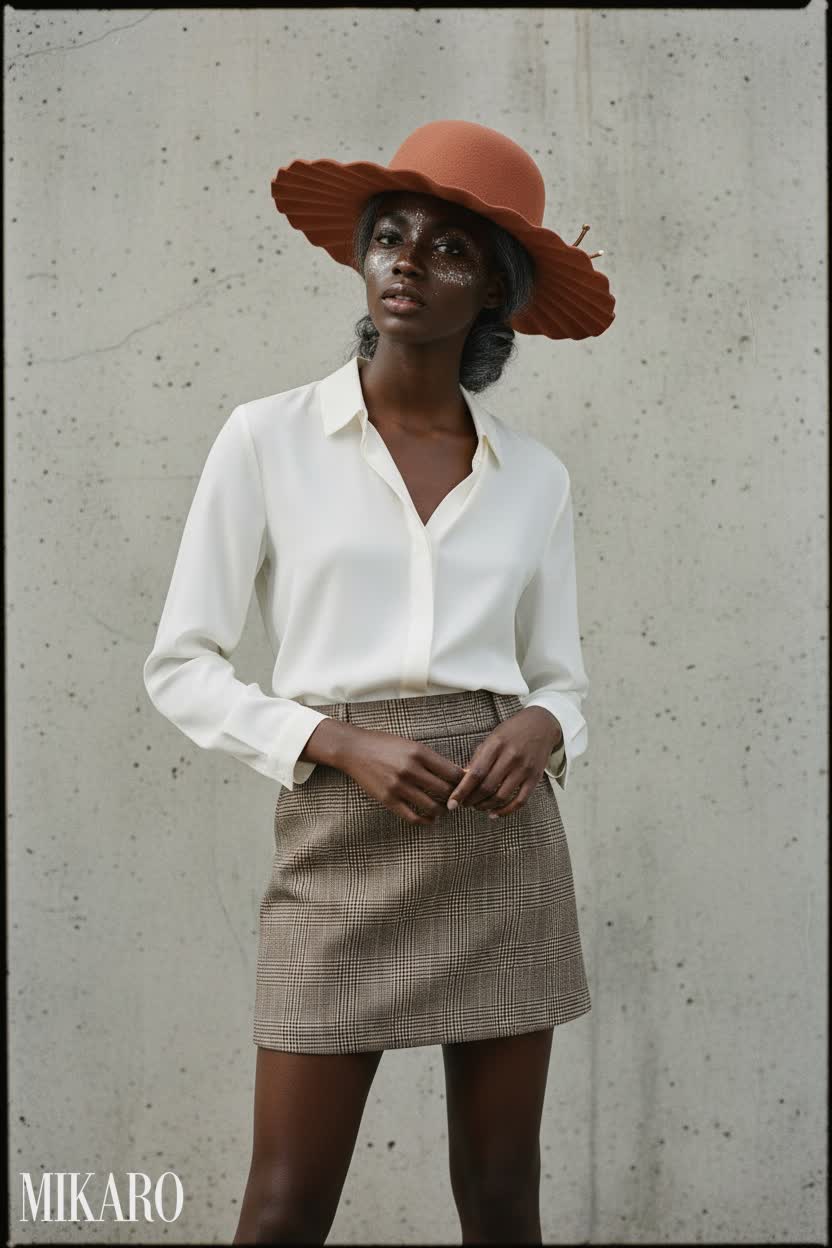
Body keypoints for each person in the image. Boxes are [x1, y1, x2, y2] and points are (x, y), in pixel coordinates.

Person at [142, 119, 615, 1245]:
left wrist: (546, 727)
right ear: (361, 260)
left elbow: (562, 679)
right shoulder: (264, 440)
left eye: (448, 249)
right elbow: (180, 665)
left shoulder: (533, 478)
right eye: (390, 235)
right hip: (337, 840)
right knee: (284, 1204)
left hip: (501, 846)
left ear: (493, 294)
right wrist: (333, 741)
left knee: (502, 1196)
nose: (407, 260)